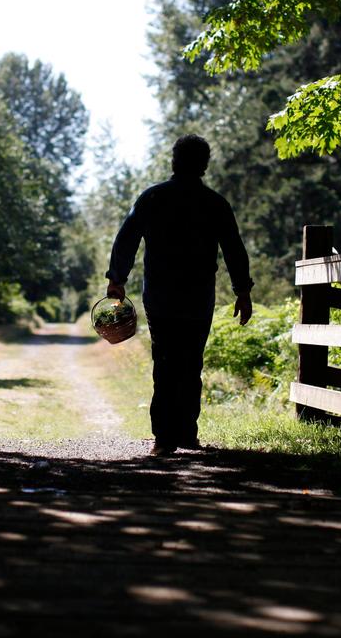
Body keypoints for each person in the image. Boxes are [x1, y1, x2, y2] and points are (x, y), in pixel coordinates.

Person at [105, 134, 252, 456]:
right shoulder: (215, 204)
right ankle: (186, 433)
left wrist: (117, 279)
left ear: (174, 160)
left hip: (160, 296)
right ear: (205, 165)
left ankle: (164, 438)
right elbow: (234, 251)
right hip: (199, 298)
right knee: (191, 364)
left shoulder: (153, 198)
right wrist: (243, 291)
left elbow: (126, 239)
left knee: (166, 362)